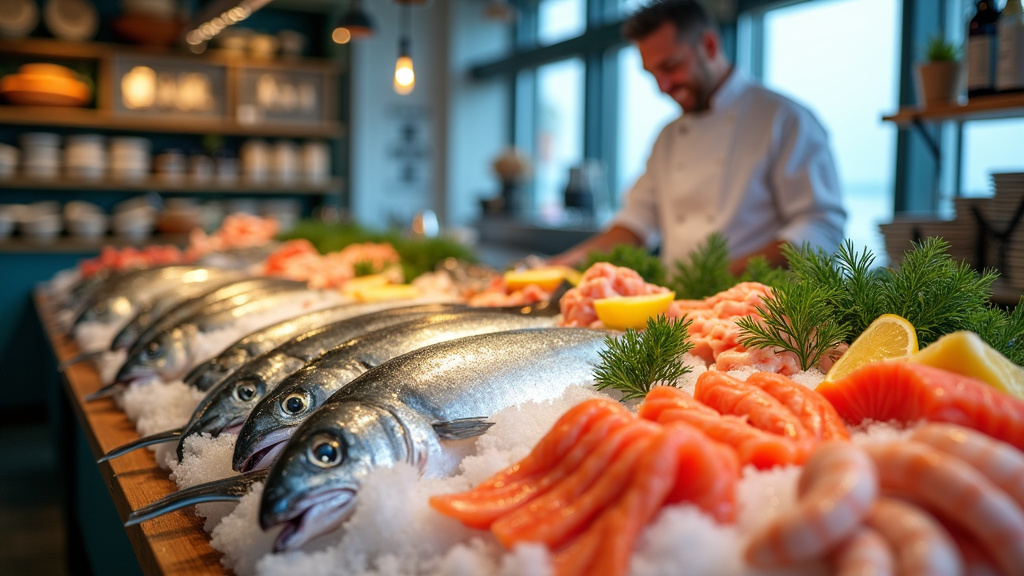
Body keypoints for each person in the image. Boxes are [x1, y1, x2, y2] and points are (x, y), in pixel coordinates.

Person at [548, 0, 846, 275]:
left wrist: (719, 278)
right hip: (678, 303)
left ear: (709, 45)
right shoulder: (668, 137)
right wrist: (561, 265)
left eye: (670, 67)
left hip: (757, 304)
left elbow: (819, 226)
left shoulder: (785, 119)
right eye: (652, 74)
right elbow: (635, 223)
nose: (662, 87)